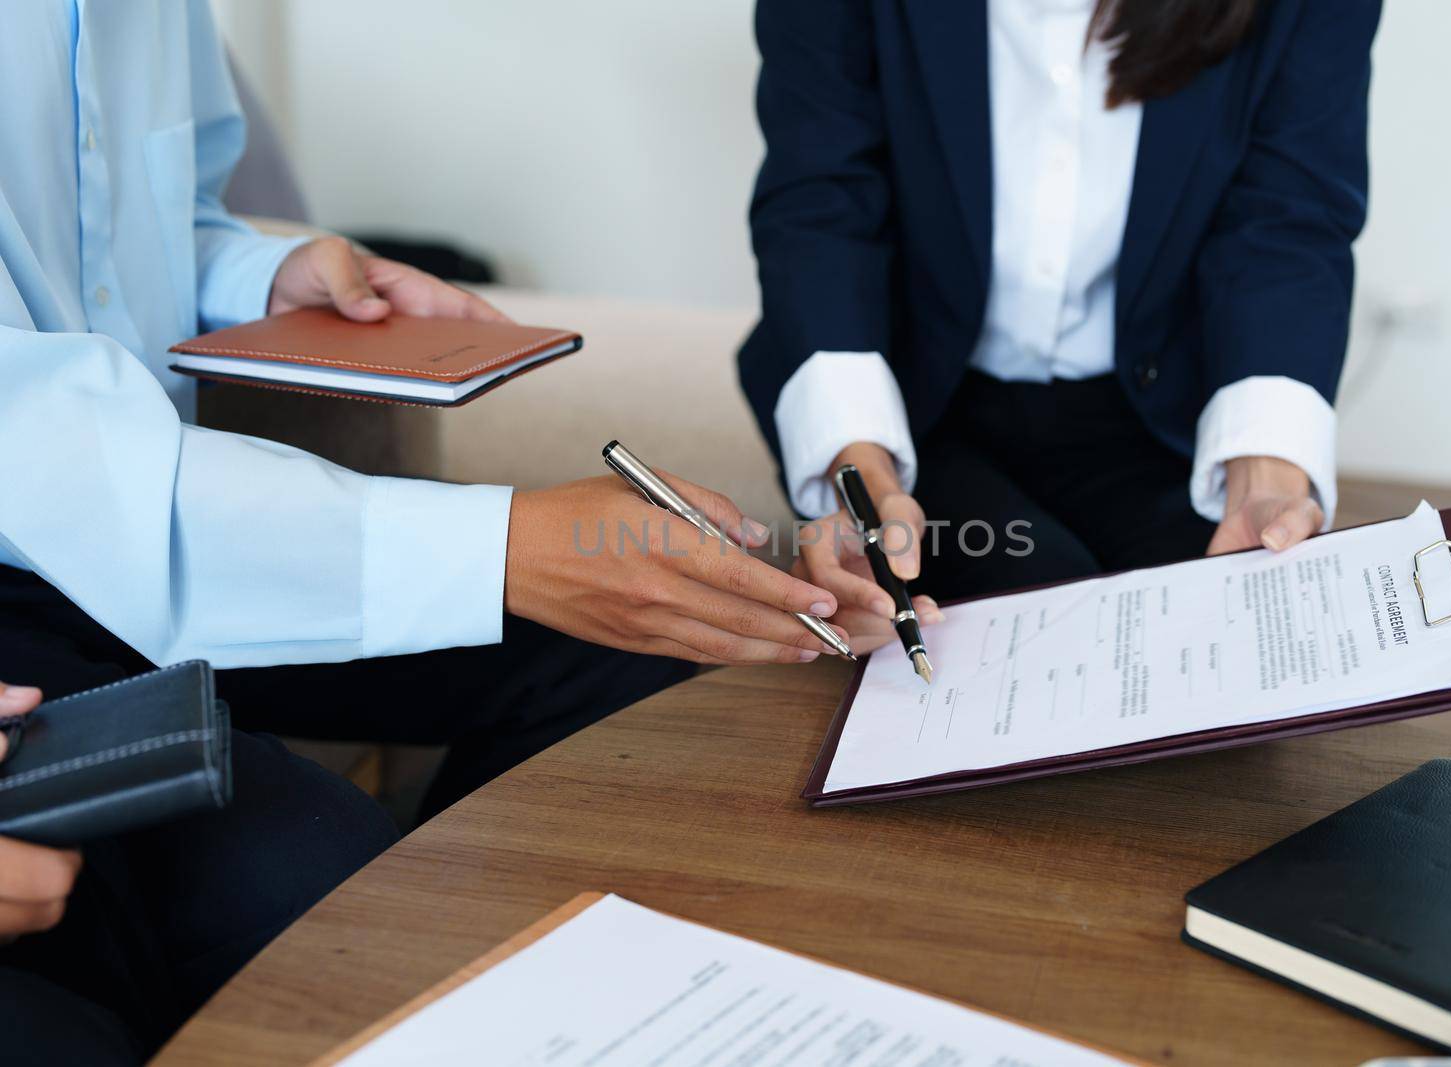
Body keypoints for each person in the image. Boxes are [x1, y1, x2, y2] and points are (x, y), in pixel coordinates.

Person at [0, 2, 848, 1059]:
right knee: (331, 885)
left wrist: (259, 274)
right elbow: (34, 444)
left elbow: (149, 229)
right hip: (38, 572)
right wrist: (502, 548)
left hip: (210, 527)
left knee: (631, 654)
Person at [738, 0, 1381, 639]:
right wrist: (861, 468)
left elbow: (1287, 220)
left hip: (1164, 405)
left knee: (1222, 633)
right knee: (1040, 616)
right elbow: (822, 205)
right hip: (914, 397)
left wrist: (1265, 471)